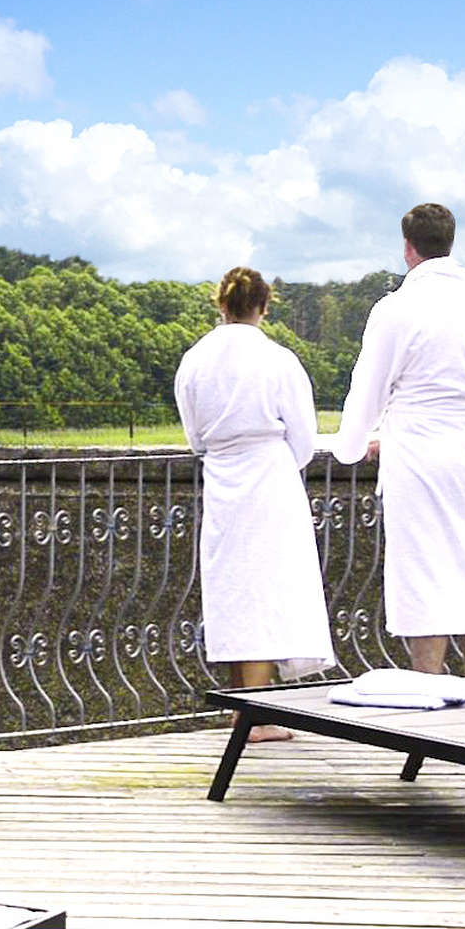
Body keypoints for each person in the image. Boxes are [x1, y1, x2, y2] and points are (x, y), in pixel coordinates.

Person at [327, 203, 465, 690]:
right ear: (451, 242)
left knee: (422, 569)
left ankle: (430, 689)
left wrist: (352, 443)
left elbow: (369, 385)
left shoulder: (397, 308)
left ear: (408, 248)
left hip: (418, 449)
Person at [174, 266, 336, 742]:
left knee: (232, 588)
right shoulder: (279, 359)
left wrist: (222, 452)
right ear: (264, 307)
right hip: (270, 477)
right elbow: (304, 437)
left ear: (220, 305)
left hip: (223, 477)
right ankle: (258, 716)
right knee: (266, 589)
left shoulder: (195, 360)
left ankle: (243, 707)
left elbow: (194, 435)